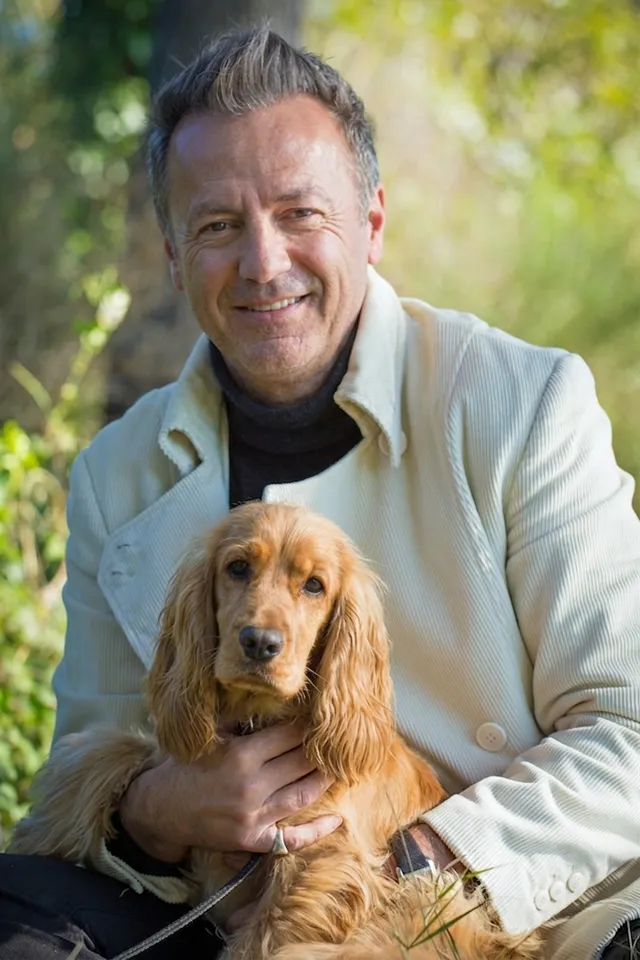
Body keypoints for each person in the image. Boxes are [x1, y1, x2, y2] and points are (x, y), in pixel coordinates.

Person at [2, 25, 640, 960]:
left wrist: (410, 859)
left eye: (301, 213)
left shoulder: (519, 403)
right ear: (175, 257)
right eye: (218, 225)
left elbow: (629, 727)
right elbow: (81, 769)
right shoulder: (118, 472)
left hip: (502, 905)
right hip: (213, 897)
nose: (264, 263)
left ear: (372, 223)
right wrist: (164, 805)